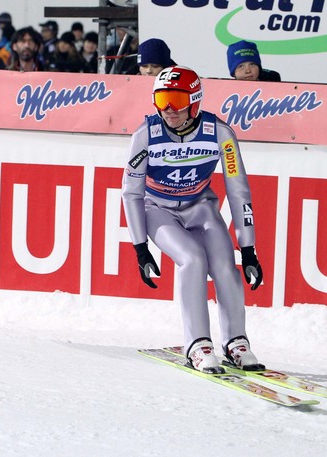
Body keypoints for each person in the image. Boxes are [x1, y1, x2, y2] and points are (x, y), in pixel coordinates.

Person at [121, 65, 265, 374]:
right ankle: (198, 345)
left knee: (226, 265)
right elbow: (131, 192)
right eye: (161, 100)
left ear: (195, 100)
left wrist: (249, 248)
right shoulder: (145, 134)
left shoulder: (220, 134)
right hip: (157, 210)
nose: (169, 110)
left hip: (201, 208)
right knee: (192, 259)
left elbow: (238, 188)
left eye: (176, 99)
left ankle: (236, 342)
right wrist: (140, 247)